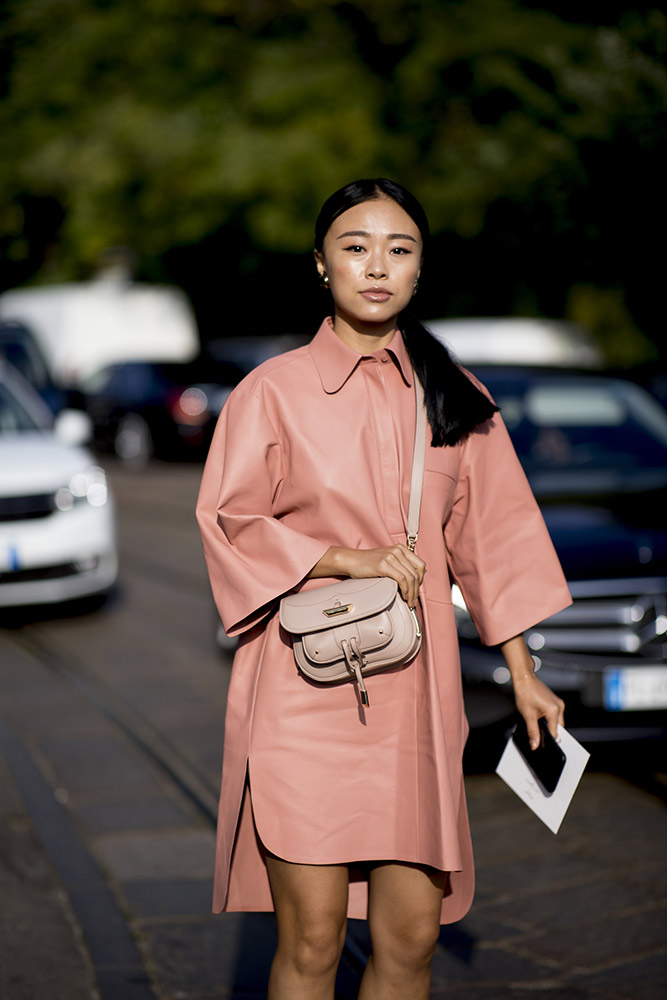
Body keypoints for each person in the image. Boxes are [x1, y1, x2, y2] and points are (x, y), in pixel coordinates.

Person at [196, 178, 571, 1000]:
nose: (377, 266)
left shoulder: (452, 395)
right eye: (355, 247)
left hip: (418, 700)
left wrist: (521, 667)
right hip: (302, 692)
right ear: (321, 266)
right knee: (313, 941)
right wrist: (344, 558)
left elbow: (492, 535)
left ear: (418, 271)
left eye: (398, 250)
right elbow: (228, 520)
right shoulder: (271, 391)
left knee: (408, 941)